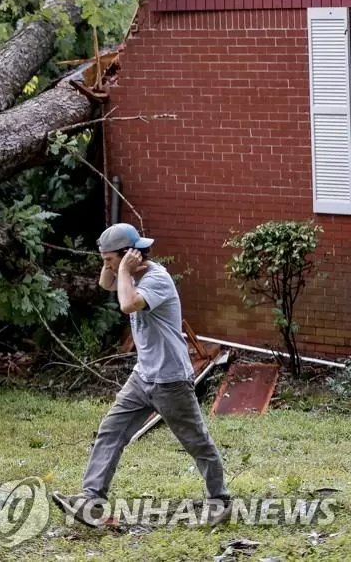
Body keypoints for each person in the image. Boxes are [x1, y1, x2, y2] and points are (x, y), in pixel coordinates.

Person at [51, 223, 231, 527]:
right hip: (143, 376)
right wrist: (114, 265)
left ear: (129, 256)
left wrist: (121, 268)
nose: (105, 266)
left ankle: (220, 500)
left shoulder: (157, 279)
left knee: (195, 441)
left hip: (170, 379)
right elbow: (107, 285)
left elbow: (127, 303)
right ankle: (91, 500)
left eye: (109, 259)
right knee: (111, 431)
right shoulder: (128, 274)